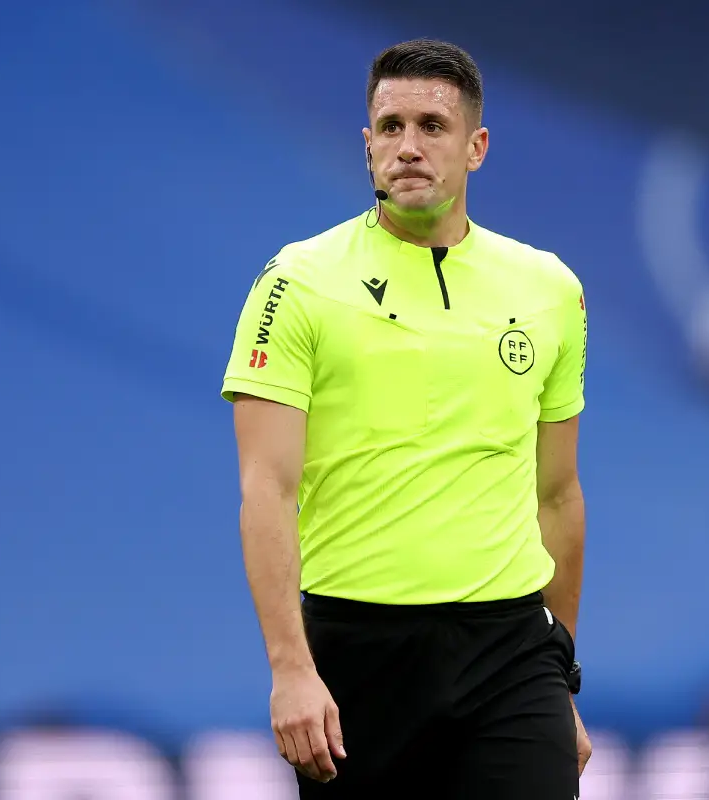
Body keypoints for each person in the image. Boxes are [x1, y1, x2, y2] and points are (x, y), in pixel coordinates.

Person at [221, 38, 591, 798]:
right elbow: (266, 493)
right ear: (367, 145)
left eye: (432, 126)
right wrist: (291, 670)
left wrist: (560, 679)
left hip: (510, 653)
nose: (409, 147)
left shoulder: (551, 288)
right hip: (360, 654)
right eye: (390, 127)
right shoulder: (297, 284)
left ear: (476, 147)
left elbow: (558, 497)